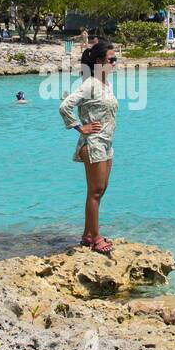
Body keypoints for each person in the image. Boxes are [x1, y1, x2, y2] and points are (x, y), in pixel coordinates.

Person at [58, 40, 118, 255]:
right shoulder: (90, 84)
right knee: (95, 191)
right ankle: (95, 239)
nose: (115, 63)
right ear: (100, 61)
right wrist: (79, 127)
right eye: (112, 60)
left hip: (106, 144)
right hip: (93, 144)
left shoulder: (105, 84)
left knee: (100, 191)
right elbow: (65, 106)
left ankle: (87, 235)